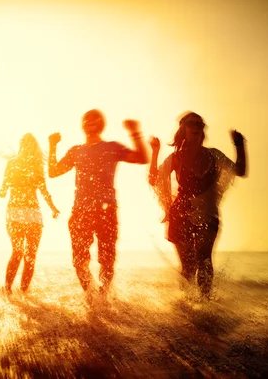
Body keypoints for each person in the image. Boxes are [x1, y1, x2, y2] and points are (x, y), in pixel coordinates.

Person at [48, 110, 148, 299]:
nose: (90, 123)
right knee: (79, 261)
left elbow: (142, 158)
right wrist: (52, 146)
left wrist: (135, 133)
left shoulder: (111, 147)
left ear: (101, 124)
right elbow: (53, 172)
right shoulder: (76, 151)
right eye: (86, 120)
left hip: (106, 210)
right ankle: (92, 297)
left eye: (95, 120)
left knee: (107, 260)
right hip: (80, 211)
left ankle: (104, 295)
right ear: (82, 125)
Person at [148, 112, 248, 298]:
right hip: (180, 214)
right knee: (188, 266)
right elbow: (153, 179)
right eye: (192, 123)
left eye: (200, 124)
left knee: (204, 260)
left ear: (202, 131)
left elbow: (240, 171)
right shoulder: (176, 158)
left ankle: (205, 303)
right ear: (183, 129)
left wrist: (240, 145)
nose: (196, 126)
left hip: (208, 214)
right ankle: (187, 305)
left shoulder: (213, 155)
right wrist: (155, 152)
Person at [0, 133, 60, 294]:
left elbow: (44, 191)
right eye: (24, 143)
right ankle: (7, 289)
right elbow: (3, 187)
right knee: (18, 252)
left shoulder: (37, 167)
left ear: (34, 147)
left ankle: (24, 292)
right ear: (21, 145)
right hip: (15, 212)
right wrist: (3, 190)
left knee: (30, 255)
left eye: (30, 143)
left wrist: (53, 207)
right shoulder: (12, 164)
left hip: (33, 213)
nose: (26, 146)